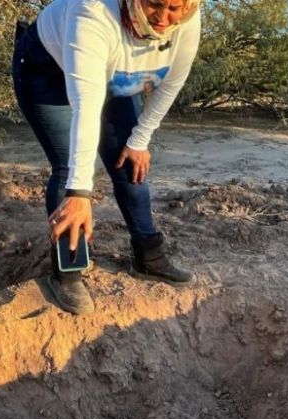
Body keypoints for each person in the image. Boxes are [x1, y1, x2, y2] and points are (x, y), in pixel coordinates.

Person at [11, 0, 201, 315]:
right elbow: (87, 105)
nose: (165, 19)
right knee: (68, 166)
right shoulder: (93, 10)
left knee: (129, 162)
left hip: (116, 79)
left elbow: (171, 83)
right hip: (46, 72)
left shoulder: (188, 17)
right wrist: (79, 192)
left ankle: (148, 256)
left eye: (175, 8)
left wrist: (140, 139)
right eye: (155, 4)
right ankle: (68, 272)